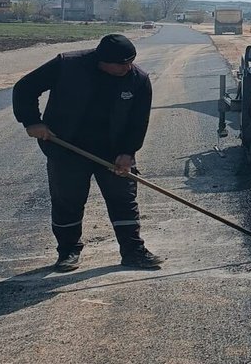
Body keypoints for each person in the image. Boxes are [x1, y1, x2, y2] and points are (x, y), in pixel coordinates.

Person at [12, 34, 164, 272]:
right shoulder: (67, 65)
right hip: (66, 147)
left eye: (130, 62)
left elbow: (138, 121)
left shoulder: (138, 79)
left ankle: (133, 251)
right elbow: (25, 88)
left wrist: (128, 152)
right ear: (102, 61)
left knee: (123, 200)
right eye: (121, 64)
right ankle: (68, 251)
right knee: (67, 201)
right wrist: (31, 121)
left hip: (112, 153)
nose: (127, 67)